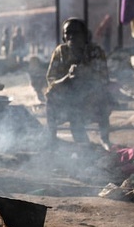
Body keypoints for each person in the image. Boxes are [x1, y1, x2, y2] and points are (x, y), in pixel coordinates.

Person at [44, 18, 113, 149]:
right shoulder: (60, 52)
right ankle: (52, 139)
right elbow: (51, 80)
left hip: (90, 97)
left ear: (84, 35)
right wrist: (66, 78)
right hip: (68, 98)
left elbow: (104, 80)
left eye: (75, 32)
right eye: (67, 33)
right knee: (51, 96)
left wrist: (87, 73)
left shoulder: (95, 51)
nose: (71, 36)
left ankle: (104, 138)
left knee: (103, 96)